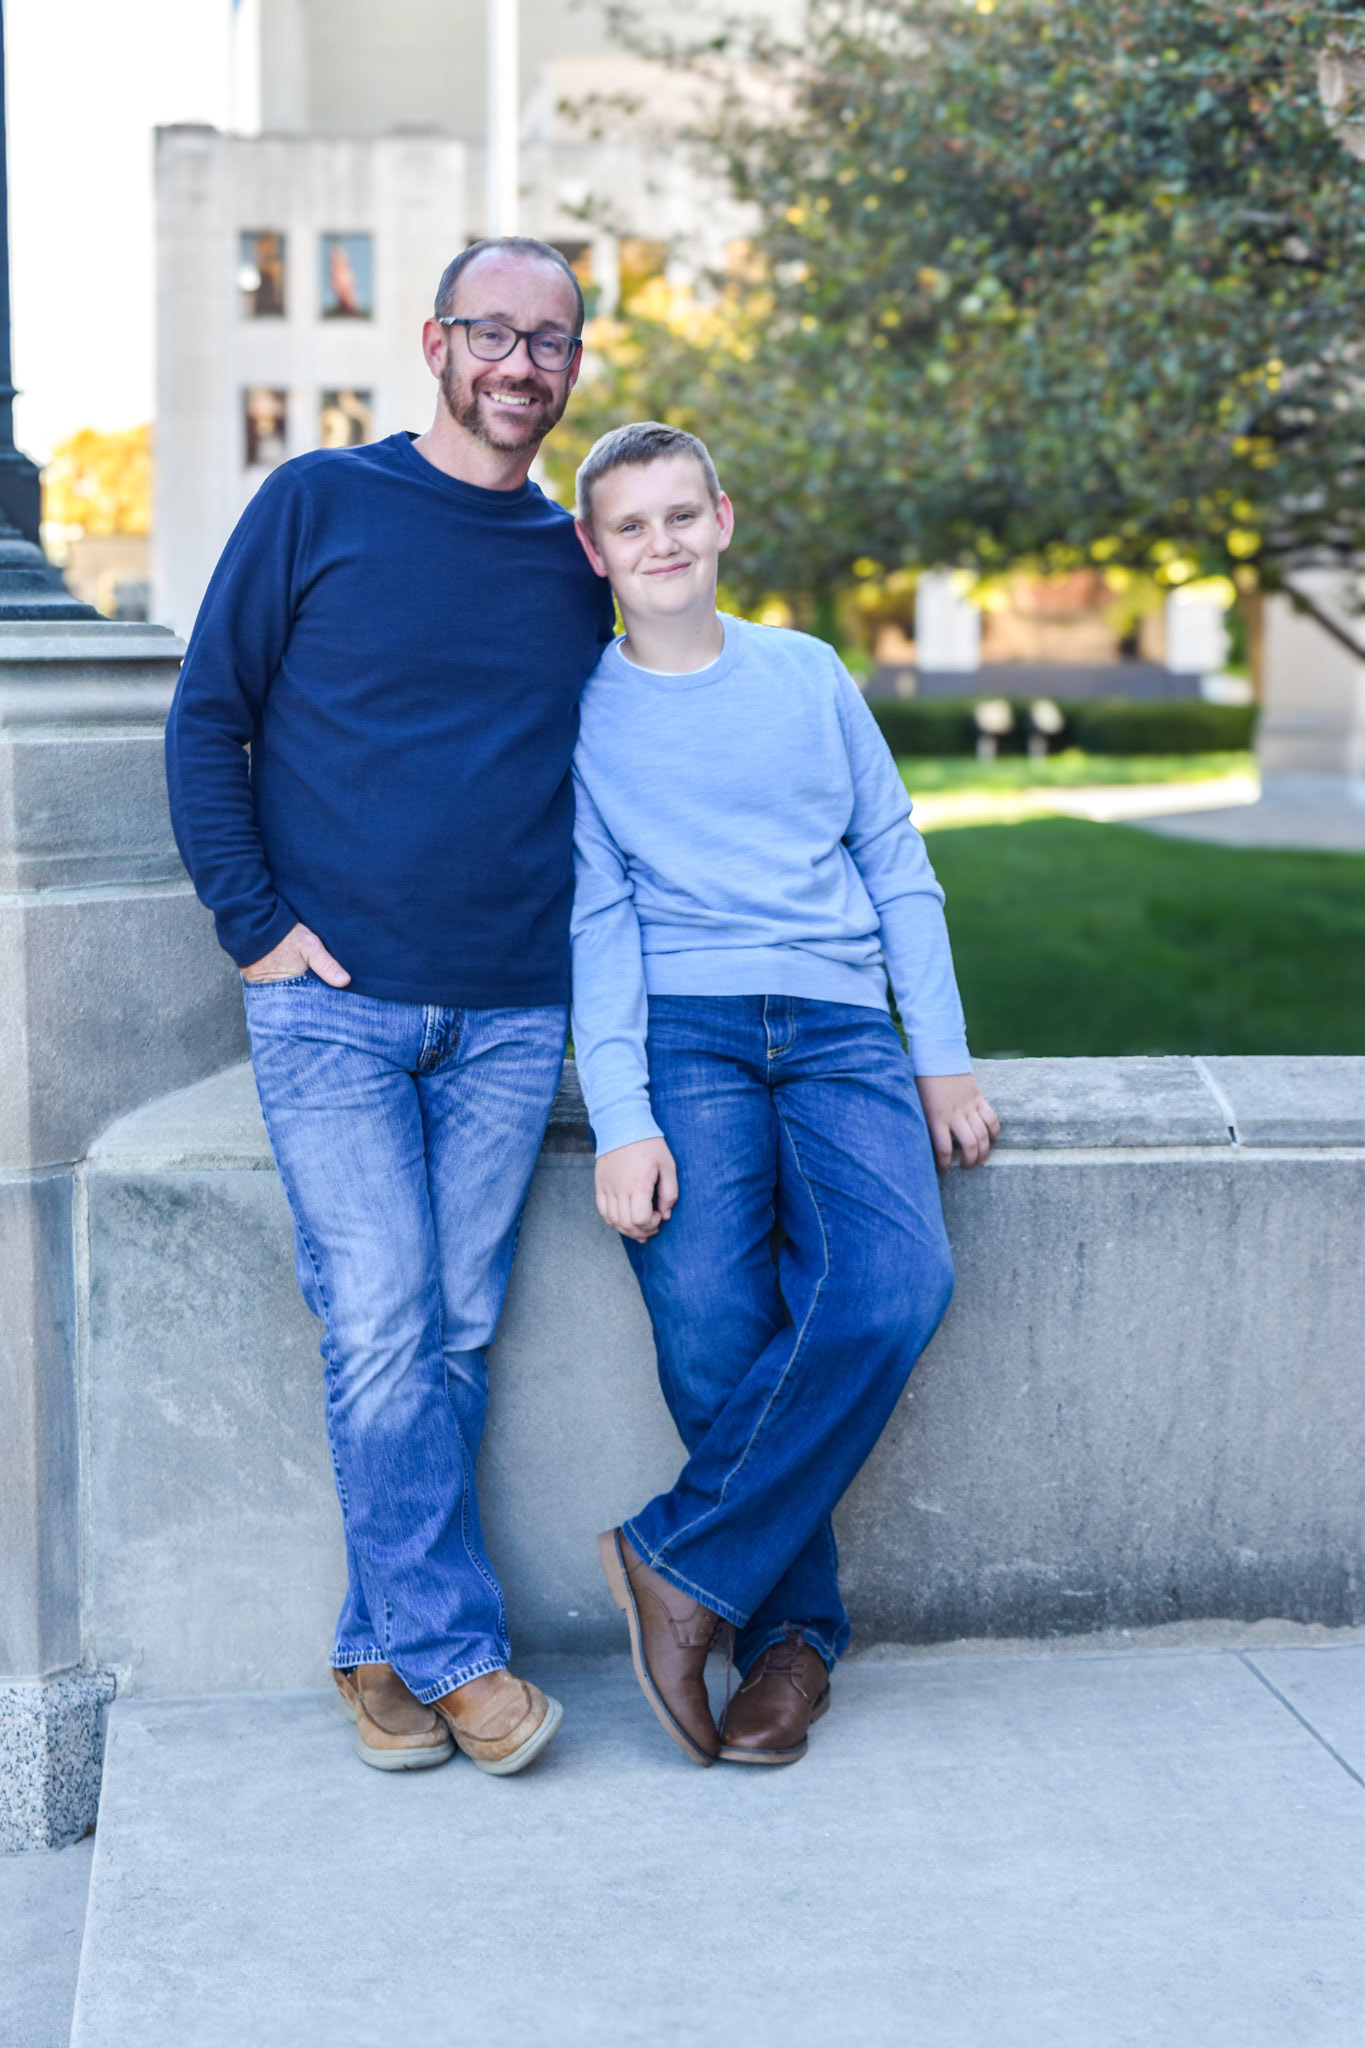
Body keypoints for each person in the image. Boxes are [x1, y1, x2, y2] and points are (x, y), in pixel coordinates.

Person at [165, 237, 615, 1776]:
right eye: (494, 333)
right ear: (434, 344)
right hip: (331, 1007)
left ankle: (375, 1649)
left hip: (510, 1009)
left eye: (550, 342)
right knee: (376, 1315)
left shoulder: (574, 561)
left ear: (572, 366)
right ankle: (459, 1657)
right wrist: (256, 928)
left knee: (457, 1328)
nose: (520, 365)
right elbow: (207, 718)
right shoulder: (318, 502)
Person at [569, 421, 1000, 1768]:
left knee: (894, 1285)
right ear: (594, 550)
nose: (660, 542)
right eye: (630, 525)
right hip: (685, 1032)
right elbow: (596, 920)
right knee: (708, 1317)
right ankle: (792, 1643)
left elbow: (893, 858)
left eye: (679, 514)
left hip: (838, 1024)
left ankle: (675, 1560)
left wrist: (939, 1054)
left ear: (723, 519)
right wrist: (623, 1116)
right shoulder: (582, 711)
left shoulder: (807, 673)